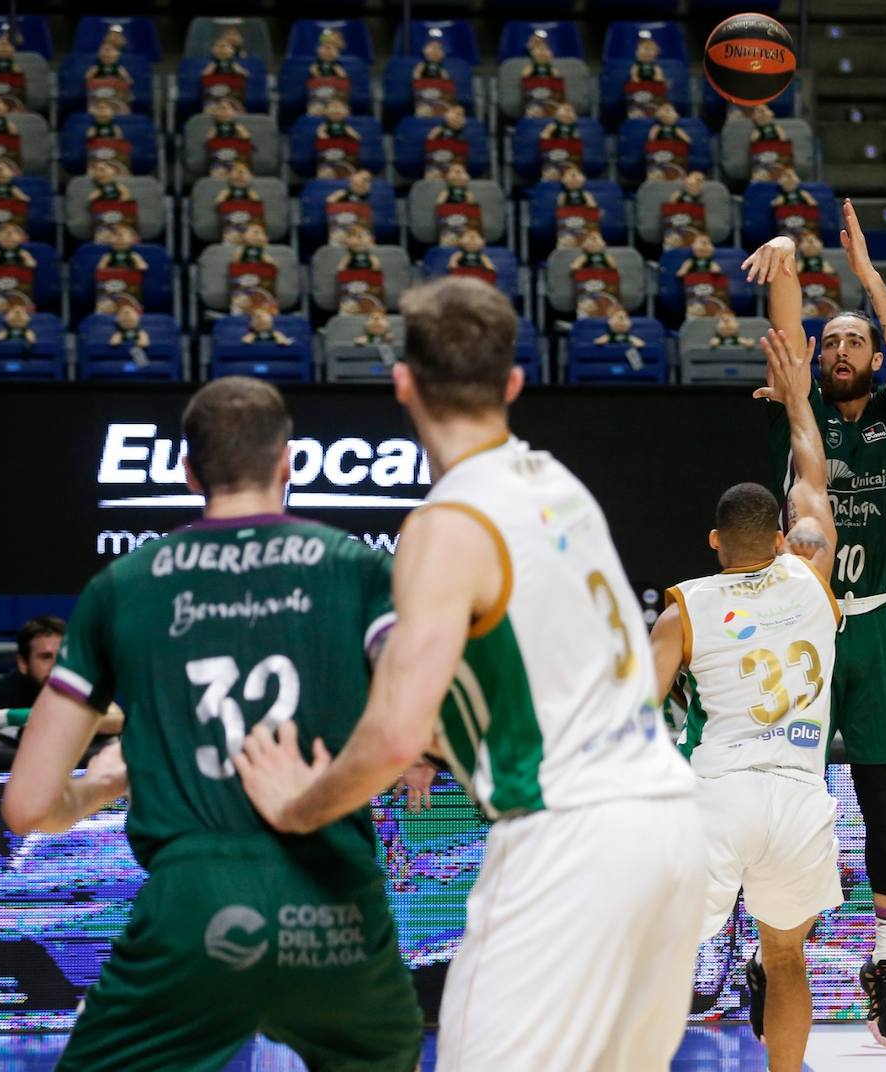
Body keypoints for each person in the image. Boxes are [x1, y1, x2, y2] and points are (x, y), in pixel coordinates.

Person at [233, 276, 707, 1072]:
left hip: (571, 833)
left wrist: (297, 808)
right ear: (513, 384)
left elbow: (393, 736)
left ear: (403, 384)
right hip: (671, 826)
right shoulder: (562, 487)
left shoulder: (447, 522)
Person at [1, 377, 424, 1071]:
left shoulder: (121, 587)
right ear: (288, 461)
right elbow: (420, 724)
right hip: (333, 897)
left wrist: (99, 789)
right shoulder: (358, 571)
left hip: (189, 904)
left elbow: (25, 807)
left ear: (189, 471)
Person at [744, 199, 886, 1047]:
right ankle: (763, 951)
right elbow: (787, 331)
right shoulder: (804, 415)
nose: (842, 350)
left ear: (875, 356)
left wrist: (867, 278)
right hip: (806, 630)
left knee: (883, 803)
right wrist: (785, 256)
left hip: (878, 626)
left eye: (857, 340)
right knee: (790, 799)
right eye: (831, 343)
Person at [649, 326, 843, 1068]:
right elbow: (813, 481)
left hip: (720, 792)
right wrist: (799, 401)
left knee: (659, 957)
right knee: (786, 960)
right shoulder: (810, 571)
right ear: (782, 537)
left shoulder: (686, 607)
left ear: (714, 541)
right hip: (799, 793)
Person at [0, 617, 122, 740]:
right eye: (45, 657)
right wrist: (10, 717)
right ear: (23, 663)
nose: (55, 666)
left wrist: (49, 719)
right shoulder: (10, 688)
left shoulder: (78, 680)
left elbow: (117, 720)